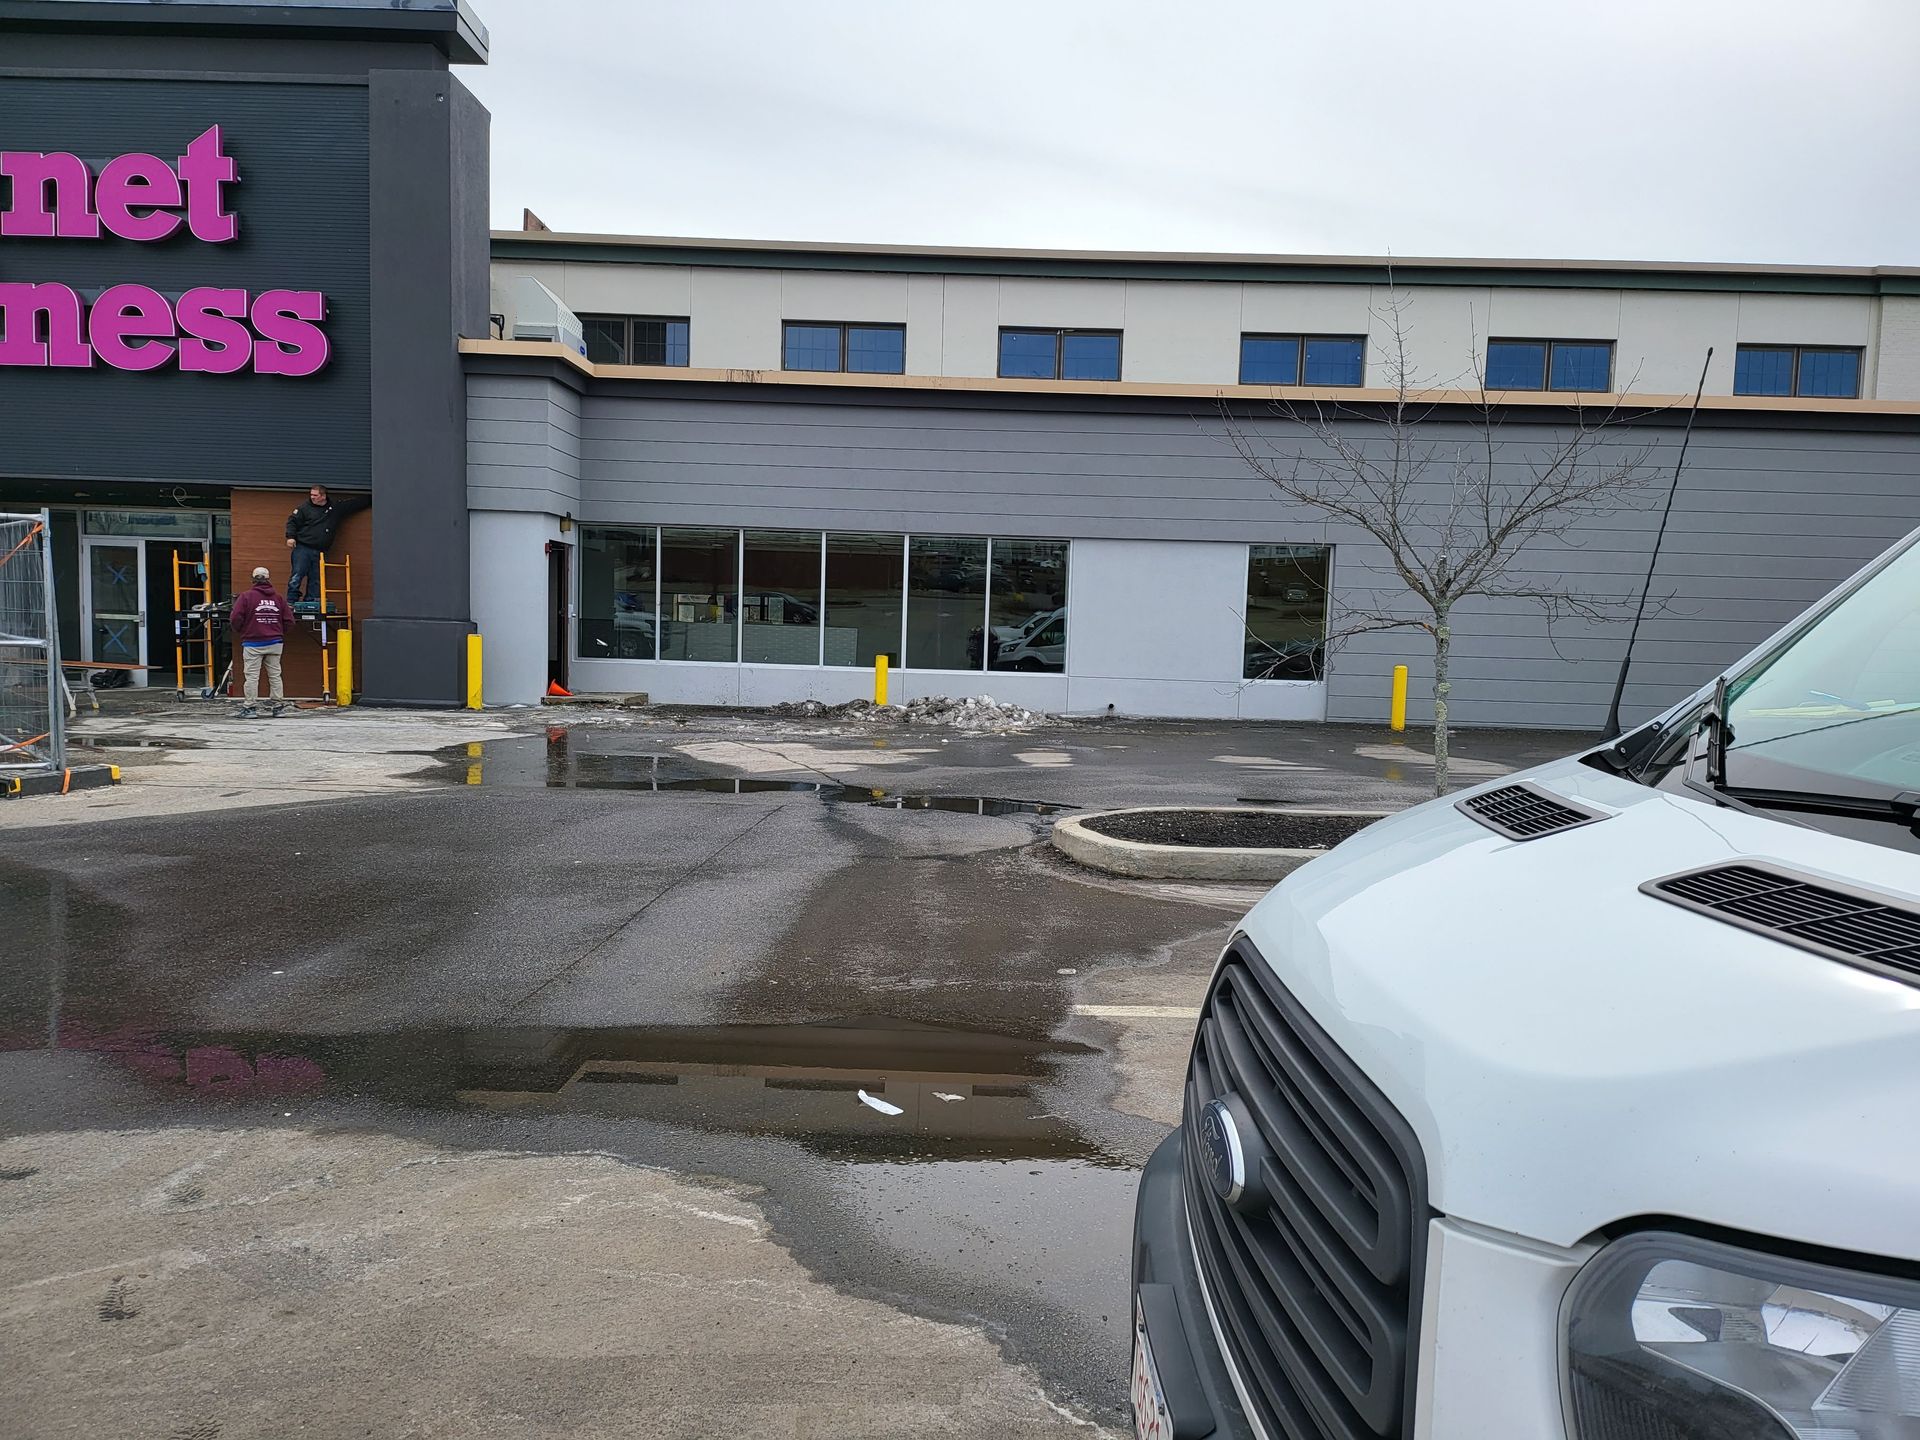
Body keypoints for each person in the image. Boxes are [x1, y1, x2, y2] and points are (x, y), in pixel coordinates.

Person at [284, 485, 370, 610]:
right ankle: (291, 601)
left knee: (316, 577)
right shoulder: (304, 508)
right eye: (311, 494)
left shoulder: (334, 508)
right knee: (297, 574)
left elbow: (353, 504)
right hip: (303, 547)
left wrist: (374, 497)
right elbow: (292, 522)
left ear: (323, 496)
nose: (312, 497)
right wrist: (290, 537)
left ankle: (312, 601)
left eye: (315, 495)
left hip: (320, 550)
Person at [229, 565, 293, 718]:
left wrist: (243, 632)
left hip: (253, 643)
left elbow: (235, 618)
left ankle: (250, 708)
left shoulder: (246, 597)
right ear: (268, 579)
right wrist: (278, 632)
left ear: (253, 580)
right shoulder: (278, 598)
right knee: (275, 675)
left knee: (251, 677)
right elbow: (289, 621)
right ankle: (278, 707)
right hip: (275, 643)